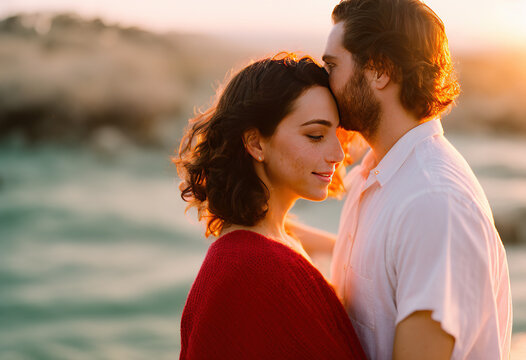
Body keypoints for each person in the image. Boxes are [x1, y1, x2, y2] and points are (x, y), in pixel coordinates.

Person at [290, 0, 513, 359]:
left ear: (380, 71)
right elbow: (381, 269)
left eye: (332, 66)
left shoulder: (434, 203)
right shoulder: (377, 176)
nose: (323, 82)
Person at [175, 53, 367, 359]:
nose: (337, 154)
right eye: (315, 135)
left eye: (336, 135)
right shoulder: (252, 268)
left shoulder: (275, 241)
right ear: (256, 143)